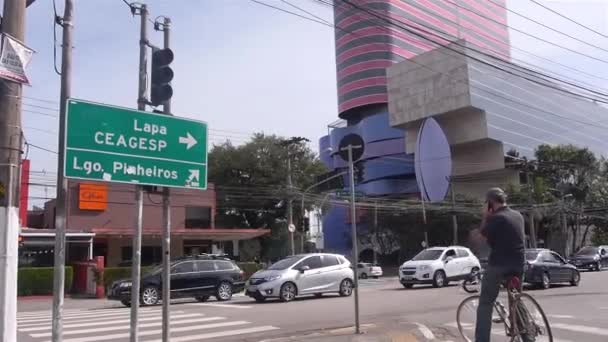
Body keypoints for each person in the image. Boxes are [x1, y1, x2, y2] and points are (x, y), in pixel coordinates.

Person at [473, 188, 525, 342]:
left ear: (490, 202)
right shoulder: (518, 215)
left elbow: (480, 238)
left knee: (486, 303)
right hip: (519, 264)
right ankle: (527, 336)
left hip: (499, 265)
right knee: (516, 301)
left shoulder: (496, 218)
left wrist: (485, 217)